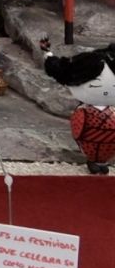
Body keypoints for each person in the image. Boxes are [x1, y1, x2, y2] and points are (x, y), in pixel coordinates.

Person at [41, 43, 115, 174]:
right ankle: (95, 159)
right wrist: (48, 55)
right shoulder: (95, 62)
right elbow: (62, 70)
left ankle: (101, 160)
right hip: (91, 115)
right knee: (89, 130)